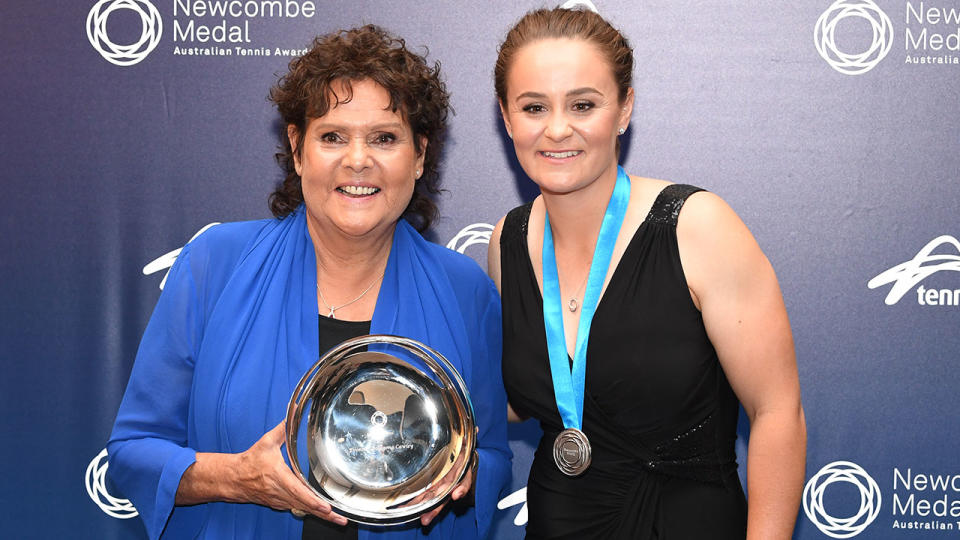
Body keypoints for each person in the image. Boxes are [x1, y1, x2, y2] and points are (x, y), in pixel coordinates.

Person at [107, 25, 511, 540]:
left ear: (420, 156)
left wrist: (462, 478)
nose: (358, 159)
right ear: (298, 149)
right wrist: (238, 479)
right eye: (333, 136)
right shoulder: (215, 264)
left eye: (385, 138)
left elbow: (493, 451)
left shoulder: (465, 290)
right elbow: (133, 451)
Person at [487, 7, 806, 539]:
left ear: (624, 108)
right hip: (558, 520)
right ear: (506, 117)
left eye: (583, 104)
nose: (557, 128)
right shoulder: (508, 240)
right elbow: (524, 396)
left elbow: (777, 411)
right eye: (534, 107)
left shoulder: (696, 226)